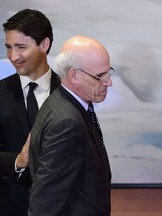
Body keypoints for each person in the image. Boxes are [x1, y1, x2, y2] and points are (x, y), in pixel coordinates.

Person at [0, 9, 61, 216]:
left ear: (44, 45)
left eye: (21, 47)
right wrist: (19, 160)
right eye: (9, 47)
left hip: (62, 207)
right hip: (9, 208)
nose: (13, 56)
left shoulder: (69, 92)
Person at [28, 35, 113, 216]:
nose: (109, 82)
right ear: (74, 75)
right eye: (100, 76)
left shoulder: (62, 101)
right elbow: (46, 198)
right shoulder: (67, 122)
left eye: (109, 72)